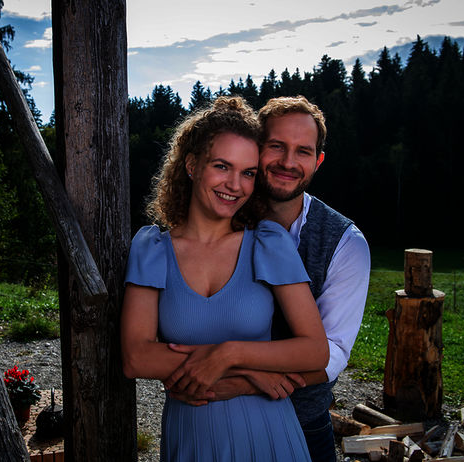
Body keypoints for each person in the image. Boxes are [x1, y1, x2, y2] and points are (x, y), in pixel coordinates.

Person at [120, 96, 329, 461]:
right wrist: (255, 374)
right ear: (191, 165)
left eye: (248, 172)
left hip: (269, 436)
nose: (235, 185)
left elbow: (315, 351)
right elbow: (136, 357)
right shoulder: (152, 248)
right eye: (222, 166)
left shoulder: (268, 243)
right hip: (192, 438)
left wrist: (230, 355)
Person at [192, 96, 371, 462]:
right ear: (256, 149)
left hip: (301, 426)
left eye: (303, 152)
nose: (288, 163)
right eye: (276, 146)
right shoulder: (219, 210)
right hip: (211, 418)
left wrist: (243, 376)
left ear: (317, 161)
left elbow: (333, 351)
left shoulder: (346, 242)